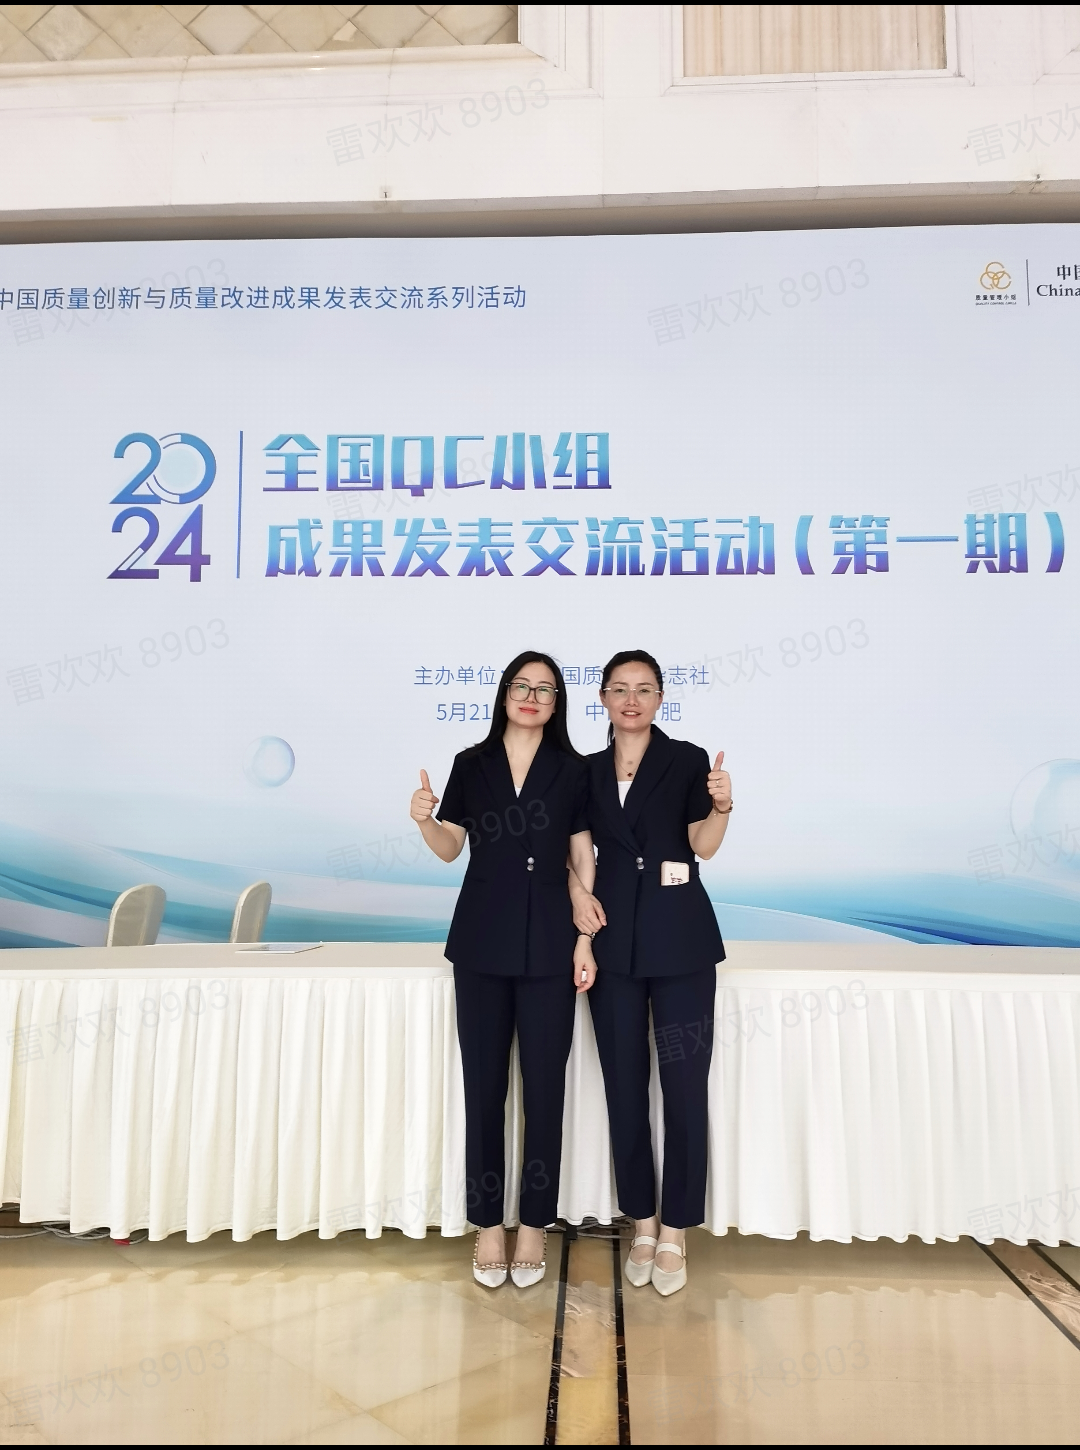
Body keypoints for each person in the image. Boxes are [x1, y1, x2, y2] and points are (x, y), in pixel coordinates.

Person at [410, 651, 596, 1289]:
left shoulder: (573, 769)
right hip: (482, 941)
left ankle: (534, 1224)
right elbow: (450, 848)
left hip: (549, 941)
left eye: (545, 689)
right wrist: (424, 820)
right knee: (484, 1089)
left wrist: (583, 934)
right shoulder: (473, 763)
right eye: (523, 685)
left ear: (557, 703)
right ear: (504, 693)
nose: (532, 696)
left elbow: (581, 855)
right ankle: (488, 1224)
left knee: (544, 1092)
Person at [571, 649, 732, 1297]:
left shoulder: (687, 760)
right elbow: (578, 855)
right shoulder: (583, 770)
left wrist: (722, 807)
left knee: (685, 1087)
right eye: (619, 689)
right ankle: (641, 1220)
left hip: (681, 940)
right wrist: (582, 925)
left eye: (643, 689)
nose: (631, 699)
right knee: (624, 1085)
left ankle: (676, 1229)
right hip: (613, 941)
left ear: (661, 697)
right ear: (603, 700)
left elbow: (701, 846)